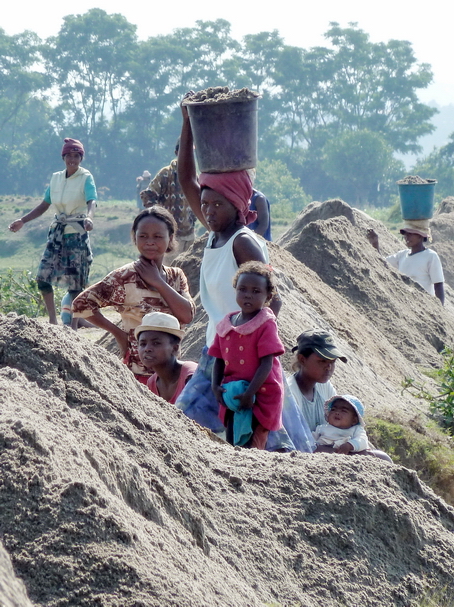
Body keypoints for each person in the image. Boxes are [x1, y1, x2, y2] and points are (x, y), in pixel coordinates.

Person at [72, 207, 195, 383]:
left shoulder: (176, 276)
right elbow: (80, 304)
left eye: (158, 236)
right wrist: (119, 334)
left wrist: (157, 282)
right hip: (138, 373)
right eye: (143, 236)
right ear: (135, 238)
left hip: (171, 374)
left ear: (171, 239)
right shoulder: (125, 277)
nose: (150, 242)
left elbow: (187, 315)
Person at [8, 138, 97, 328]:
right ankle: (52, 321)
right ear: (63, 157)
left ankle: (73, 327)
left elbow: (92, 200)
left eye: (76, 156)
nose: (72, 160)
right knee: (42, 277)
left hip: (77, 233)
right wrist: (22, 221)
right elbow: (44, 205)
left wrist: (89, 217)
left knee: (76, 283)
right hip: (57, 233)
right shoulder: (56, 178)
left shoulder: (85, 177)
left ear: (81, 158)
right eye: (69, 156)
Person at [209, 262, 284, 449]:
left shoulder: (266, 323)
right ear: (235, 290)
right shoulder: (227, 324)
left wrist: (250, 393)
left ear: (268, 296)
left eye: (256, 291)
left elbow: (267, 363)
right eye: (242, 289)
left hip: (261, 393)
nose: (248, 295)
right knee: (233, 439)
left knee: (253, 444)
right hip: (233, 392)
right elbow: (218, 359)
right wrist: (215, 386)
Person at [288, 329, 392, 462]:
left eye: (332, 362)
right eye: (322, 361)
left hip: (334, 449)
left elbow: (347, 426)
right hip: (308, 453)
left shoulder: (323, 385)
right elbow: (300, 443)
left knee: (383, 458)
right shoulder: (290, 393)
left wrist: (352, 446)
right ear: (302, 359)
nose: (329, 367)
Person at [140, 140, 196, 262]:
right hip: (170, 238)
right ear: (176, 152)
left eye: (190, 151)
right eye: (184, 151)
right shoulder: (166, 173)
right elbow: (148, 195)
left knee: (187, 276)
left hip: (189, 235)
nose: (187, 155)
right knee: (169, 274)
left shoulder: (194, 176)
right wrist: (160, 221)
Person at [367, 225, 445, 305]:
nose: (407, 237)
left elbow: (438, 284)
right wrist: (375, 243)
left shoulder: (431, 256)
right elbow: (381, 263)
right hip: (406, 304)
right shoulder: (402, 255)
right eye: (406, 234)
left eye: (411, 234)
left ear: (421, 236)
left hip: (424, 305)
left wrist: (440, 309)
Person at [135, 311, 197, 403]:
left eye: (156, 343)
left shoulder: (191, 376)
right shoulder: (152, 383)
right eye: (143, 344)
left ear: (175, 348)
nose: (147, 349)